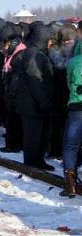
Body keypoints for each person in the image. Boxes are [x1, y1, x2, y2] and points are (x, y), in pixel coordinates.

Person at [14, 21, 55, 170]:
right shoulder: (34, 54)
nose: (51, 43)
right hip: (33, 104)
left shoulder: (36, 52)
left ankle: (37, 160)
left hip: (33, 103)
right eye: (49, 39)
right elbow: (35, 81)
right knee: (34, 135)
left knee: (39, 134)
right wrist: (43, 101)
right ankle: (32, 162)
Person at [47, 24, 75, 159]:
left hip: (58, 95)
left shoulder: (54, 53)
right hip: (68, 96)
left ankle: (56, 150)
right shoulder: (74, 57)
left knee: (58, 124)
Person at [62, 33, 82, 198]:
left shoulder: (72, 62)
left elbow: (69, 84)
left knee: (71, 145)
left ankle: (70, 185)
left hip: (76, 106)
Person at [0, 23, 26, 153]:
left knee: (14, 121)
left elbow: (17, 76)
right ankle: (12, 143)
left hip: (15, 94)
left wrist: (11, 93)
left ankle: (14, 144)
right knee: (11, 120)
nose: (4, 47)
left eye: (6, 44)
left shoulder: (19, 54)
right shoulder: (12, 53)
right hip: (11, 92)